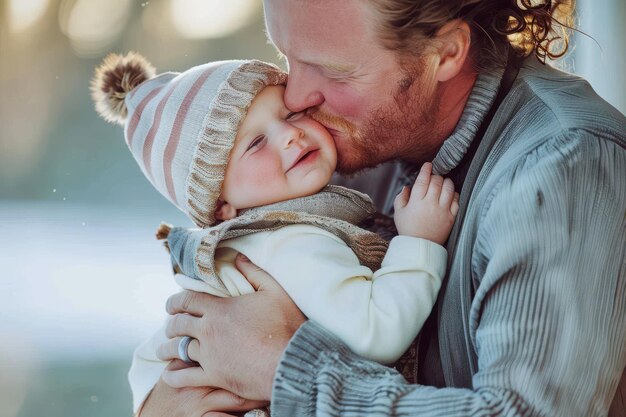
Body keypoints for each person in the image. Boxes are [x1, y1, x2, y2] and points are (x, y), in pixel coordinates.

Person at [138, 1, 626, 416]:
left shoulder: (566, 167)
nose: (295, 96)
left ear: (446, 52)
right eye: (286, 57)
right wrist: (177, 391)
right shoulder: (336, 151)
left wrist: (279, 367)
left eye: (333, 69)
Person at [90, 53, 460, 416]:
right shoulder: (292, 241)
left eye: (291, 114)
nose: (289, 134)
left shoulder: (235, 250)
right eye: (255, 143)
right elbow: (376, 336)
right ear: (221, 206)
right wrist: (419, 244)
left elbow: (147, 363)